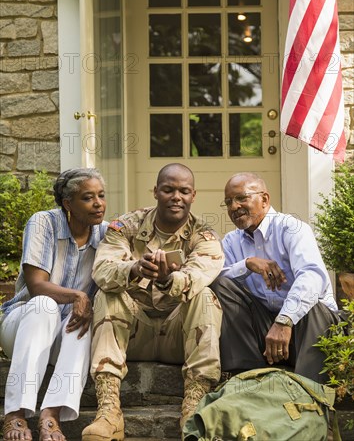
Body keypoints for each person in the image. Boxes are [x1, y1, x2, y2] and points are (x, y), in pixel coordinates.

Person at [81, 163, 224, 441]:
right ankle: (109, 411)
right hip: (134, 332)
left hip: (178, 337)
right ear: (156, 191)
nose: (176, 197)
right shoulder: (126, 226)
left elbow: (200, 274)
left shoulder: (203, 235)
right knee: (108, 292)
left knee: (205, 296)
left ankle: (193, 408)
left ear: (193, 195)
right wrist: (134, 269)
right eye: (168, 190)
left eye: (184, 191)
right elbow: (103, 271)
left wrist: (167, 280)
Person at [0, 168, 108, 441]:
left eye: (101, 196)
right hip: (24, 325)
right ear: (68, 204)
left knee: (82, 321)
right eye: (88, 197)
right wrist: (78, 296)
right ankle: (15, 413)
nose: (98, 203)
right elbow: (37, 285)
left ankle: (51, 414)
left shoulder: (106, 235)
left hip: (62, 335)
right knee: (45, 306)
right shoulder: (43, 223)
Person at [211, 172, 340, 384]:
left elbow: (313, 277)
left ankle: (310, 396)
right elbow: (216, 277)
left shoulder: (292, 228)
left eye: (241, 198)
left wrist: (284, 320)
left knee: (312, 305)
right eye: (228, 202)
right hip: (265, 328)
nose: (233, 207)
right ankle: (247, 378)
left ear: (264, 199)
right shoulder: (232, 241)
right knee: (220, 284)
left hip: (309, 327)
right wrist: (247, 264)